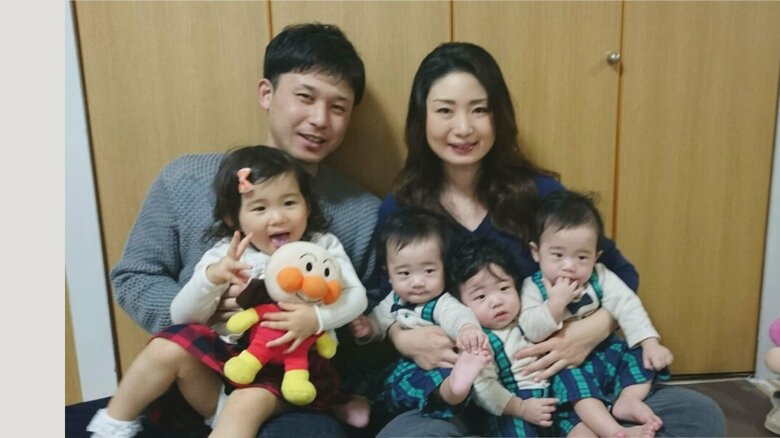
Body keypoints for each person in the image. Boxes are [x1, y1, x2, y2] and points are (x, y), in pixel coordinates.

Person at [372, 41, 725, 437]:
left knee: (699, 414)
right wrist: (403, 340)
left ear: (499, 116)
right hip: (463, 393)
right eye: (444, 110)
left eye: (480, 109)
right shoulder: (401, 209)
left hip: (557, 386)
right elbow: (382, 302)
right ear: (421, 119)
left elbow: (619, 273)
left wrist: (587, 332)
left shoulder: (538, 193)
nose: (464, 127)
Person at [109, 23, 380, 437]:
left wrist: (314, 319)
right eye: (305, 97)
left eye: (338, 107)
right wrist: (206, 308)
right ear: (267, 94)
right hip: (196, 367)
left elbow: (369, 314)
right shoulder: (183, 178)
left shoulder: (363, 213)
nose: (319, 119)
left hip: (290, 387)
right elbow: (134, 275)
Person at [87, 145, 369, 437]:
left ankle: (233, 419)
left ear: (307, 206)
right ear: (233, 218)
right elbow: (181, 317)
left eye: (289, 203)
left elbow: (356, 298)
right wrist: (211, 280)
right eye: (259, 208)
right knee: (165, 346)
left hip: (292, 371)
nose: (278, 218)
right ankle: (111, 427)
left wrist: (317, 319)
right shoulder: (225, 255)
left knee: (245, 403)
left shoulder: (321, 246)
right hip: (228, 367)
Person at [519, 190, 672, 437]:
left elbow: (627, 304)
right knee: (575, 386)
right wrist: (555, 305)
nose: (569, 266)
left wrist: (650, 342)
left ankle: (628, 400)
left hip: (606, 350)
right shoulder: (534, 287)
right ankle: (614, 431)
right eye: (557, 255)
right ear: (536, 252)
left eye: (582, 257)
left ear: (596, 256)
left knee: (641, 356)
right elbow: (531, 329)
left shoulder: (601, 276)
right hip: (568, 364)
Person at [348, 206, 490, 418]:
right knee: (369, 376)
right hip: (402, 365)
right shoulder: (392, 300)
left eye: (429, 271)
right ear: (389, 274)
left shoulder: (441, 303)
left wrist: (467, 329)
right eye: (404, 273)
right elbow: (379, 322)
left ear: (444, 268)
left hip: (438, 368)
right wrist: (367, 329)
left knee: (425, 382)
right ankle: (359, 404)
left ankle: (453, 390)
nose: (417, 282)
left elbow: (457, 315)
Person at [447, 236, 561, 437]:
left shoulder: (528, 315)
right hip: (513, 409)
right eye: (481, 296)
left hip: (551, 398)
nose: (496, 301)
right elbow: (484, 389)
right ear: (462, 305)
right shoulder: (480, 341)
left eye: (504, 288)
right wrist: (521, 408)